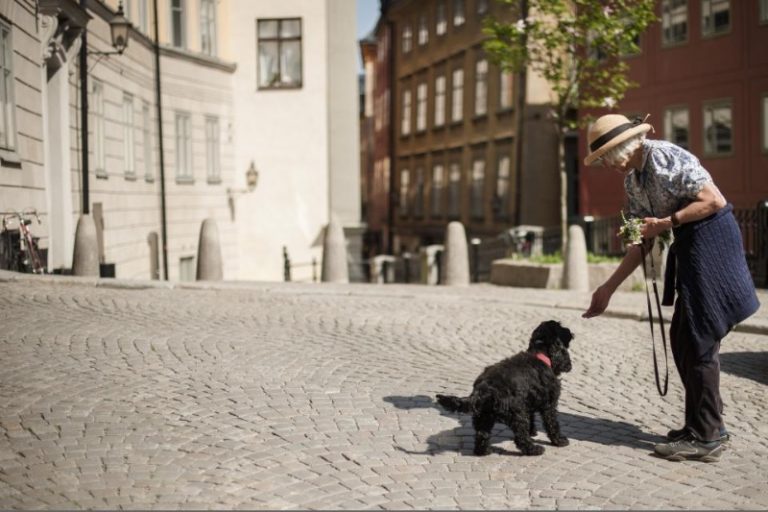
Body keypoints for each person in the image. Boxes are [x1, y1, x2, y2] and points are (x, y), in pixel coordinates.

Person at [581, 113, 760, 463]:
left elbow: (714, 201)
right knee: (683, 338)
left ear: (624, 144)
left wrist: (666, 222)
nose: (606, 164)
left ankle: (707, 435)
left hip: (712, 241)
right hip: (688, 247)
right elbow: (643, 241)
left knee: (698, 338)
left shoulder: (664, 155)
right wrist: (608, 288)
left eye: (606, 155)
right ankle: (704, 424)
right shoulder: (633, 182)